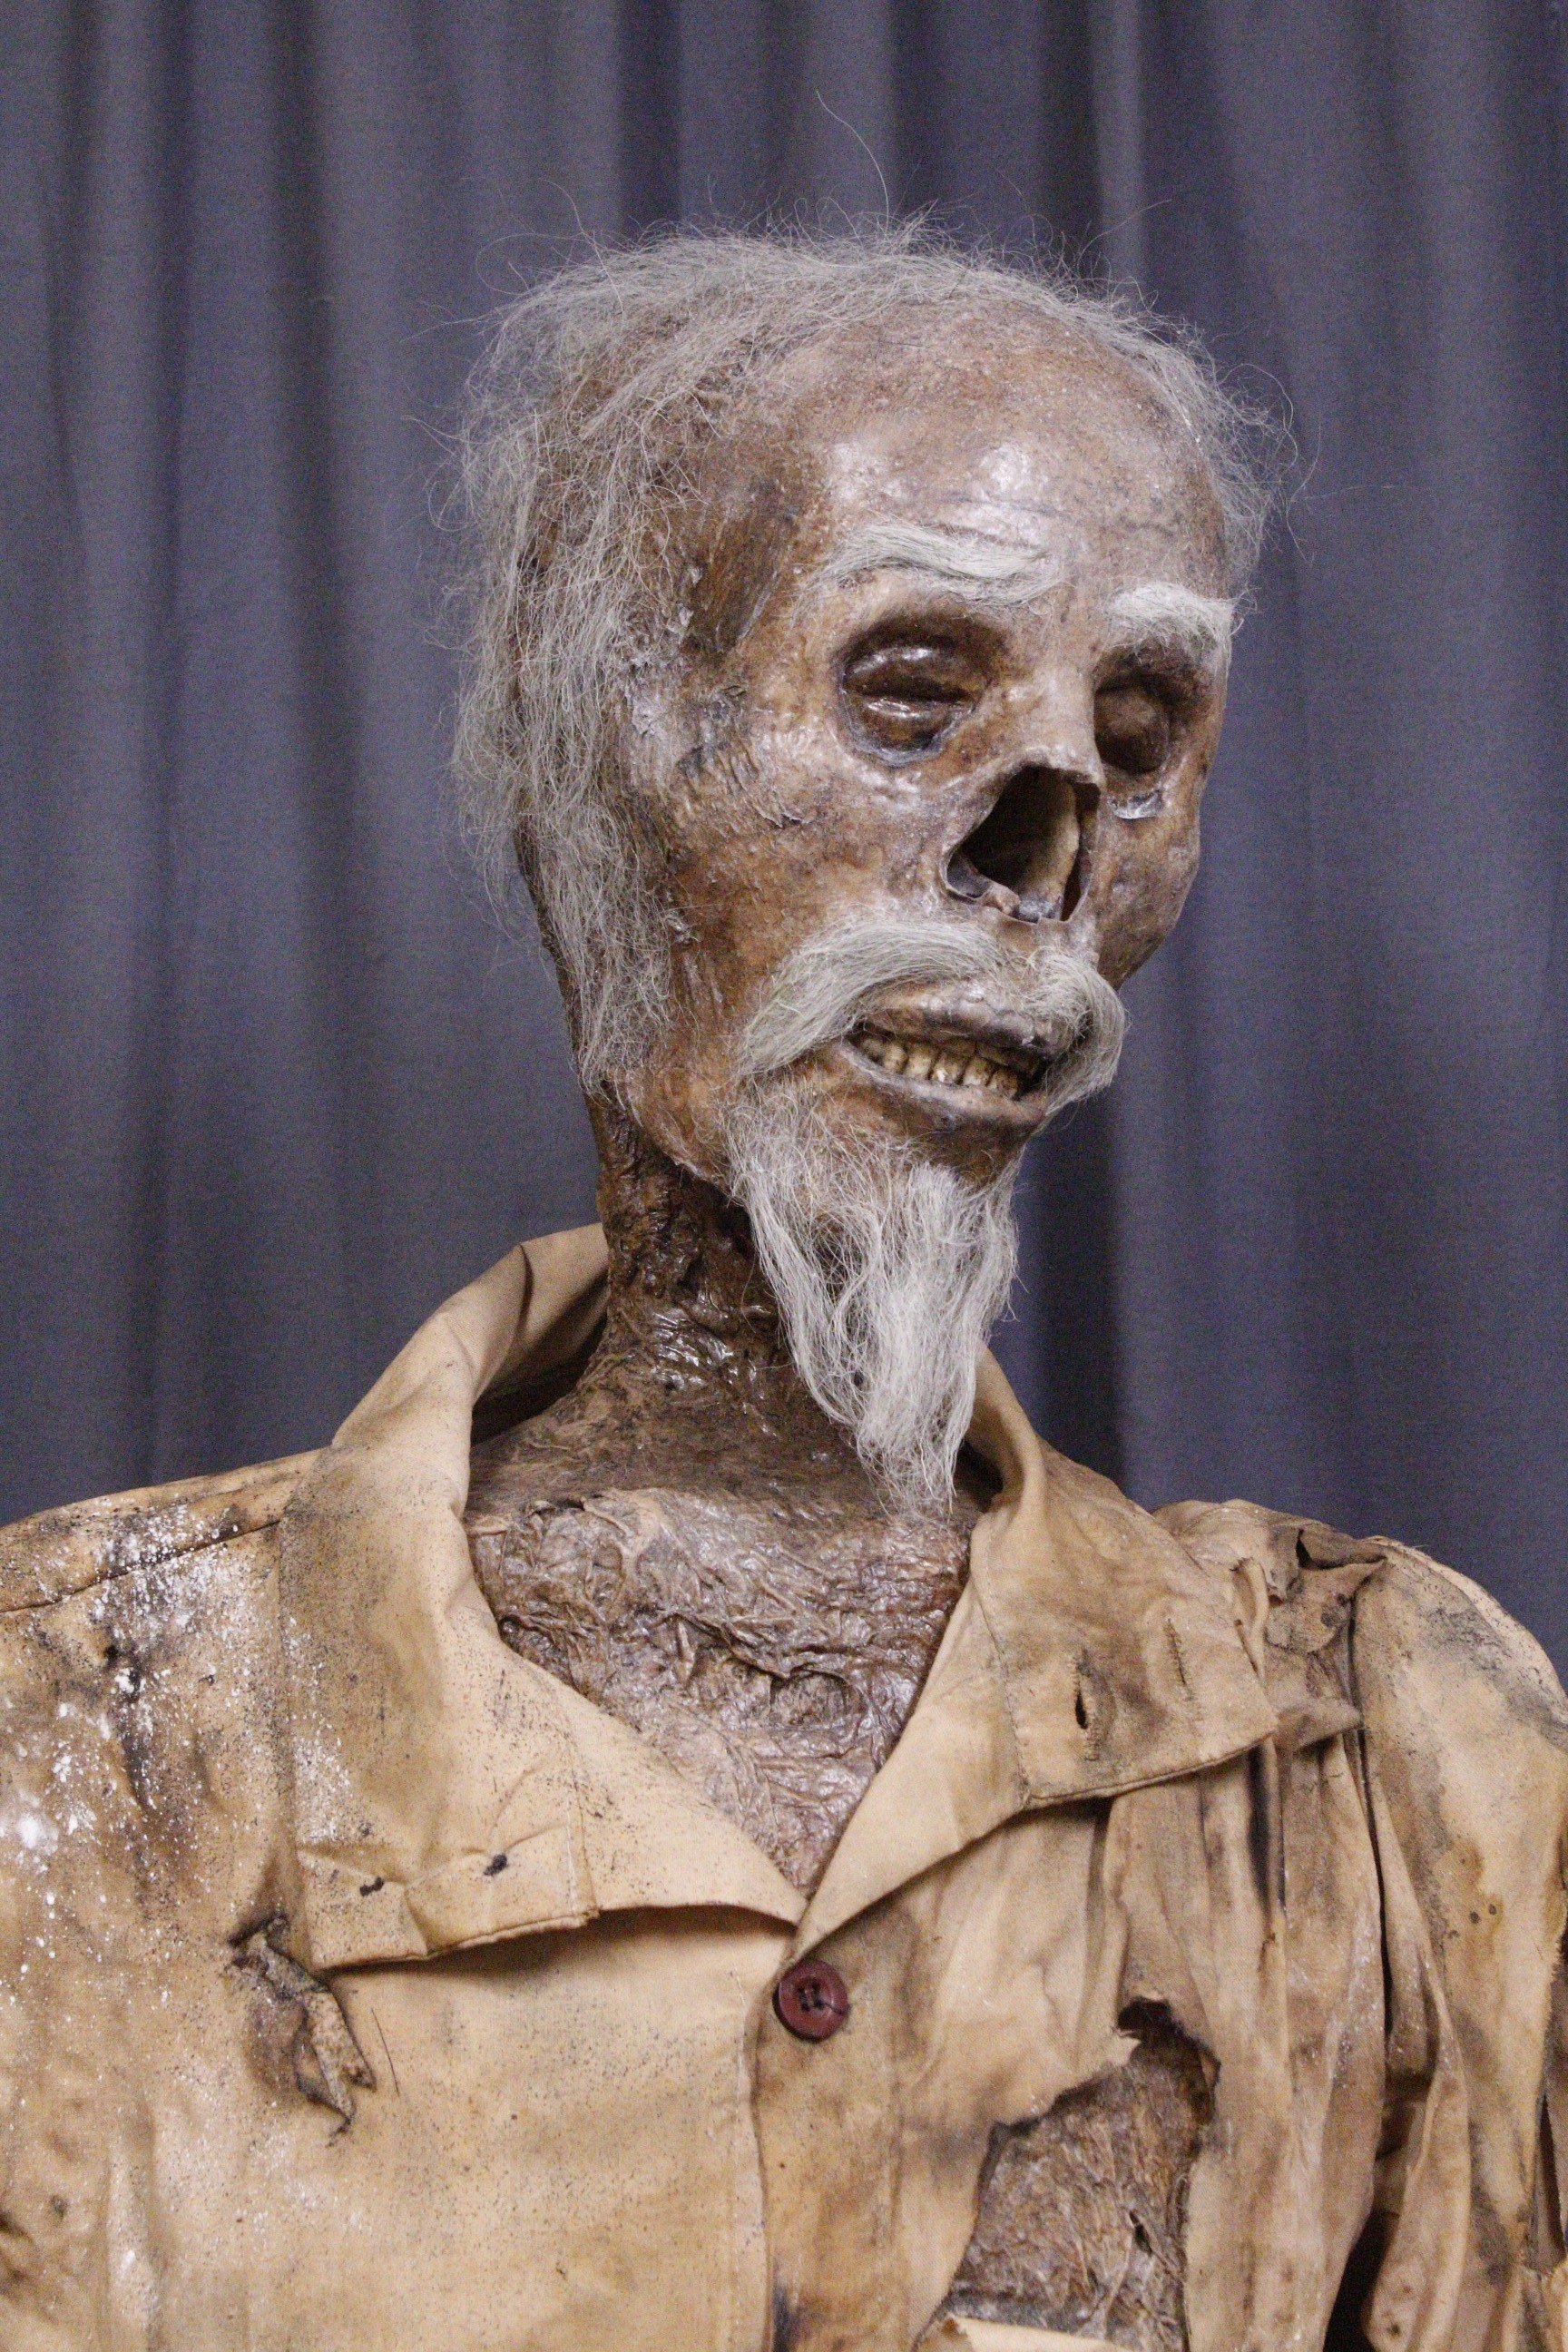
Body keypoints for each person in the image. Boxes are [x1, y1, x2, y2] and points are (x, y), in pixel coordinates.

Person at [2, 230, 1563, 2352]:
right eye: (911, 692)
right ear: (598, 749)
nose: (1046, 858)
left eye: (1138, 737)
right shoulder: (76, 1730)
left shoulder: (1393, 1758)